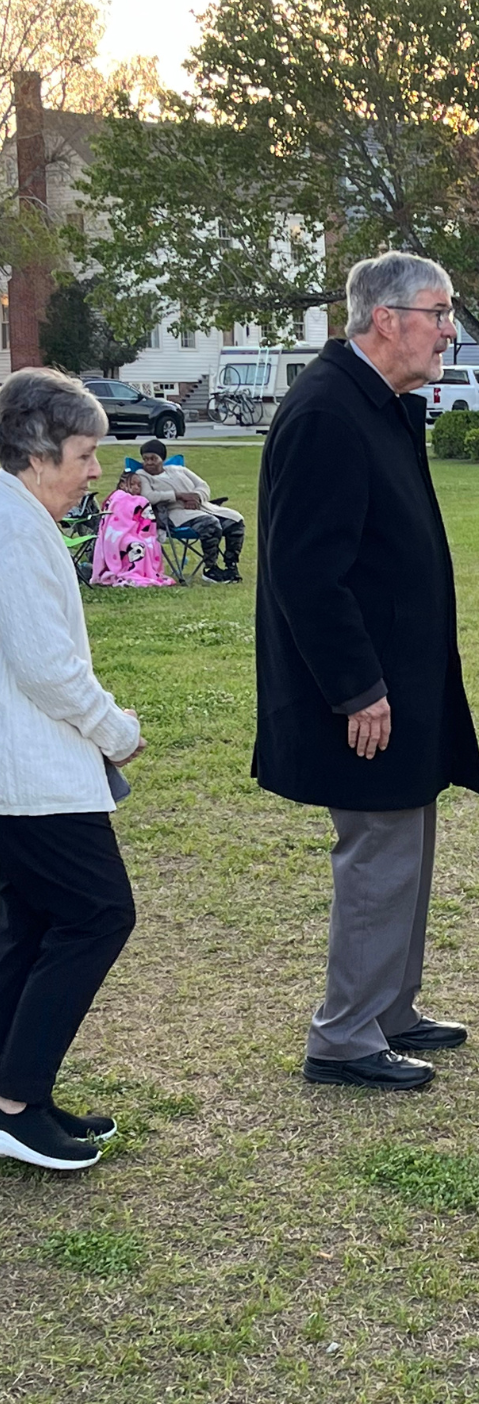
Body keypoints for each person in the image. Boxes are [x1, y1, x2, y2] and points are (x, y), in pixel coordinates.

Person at [255, 250, 479, 1092]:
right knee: (379, 850)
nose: (449, 330)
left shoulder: (380, 403)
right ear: (385, 320)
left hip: (404, 680)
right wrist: (358, 687)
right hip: (363, 692)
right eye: (439, 312)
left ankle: (390, 1007)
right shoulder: (327, 411)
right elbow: (305, 570)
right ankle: (345, 1035)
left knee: (409, 840)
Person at [0, 368, 147, 1171]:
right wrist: (115, 729)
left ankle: (17, 1095)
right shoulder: (14, 527)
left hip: (25, 774)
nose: (96, 469)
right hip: (32, 779)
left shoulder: (16, 517)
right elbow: (46, 666)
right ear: (36, 449)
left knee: (31, 926)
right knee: (96, 916)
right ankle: (17, 1103)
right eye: (86, 453)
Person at [133, 441, 245, 584]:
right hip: (175, 514)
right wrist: (178, 496)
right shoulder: (142, 475)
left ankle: (231, 565)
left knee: (235, 520)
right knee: (210, 524)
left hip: (203, 508)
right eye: (145, 459)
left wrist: (197, 497)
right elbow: (148, 496)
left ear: (162, 459)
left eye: (153, 458)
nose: (148, 463)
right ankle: (210, 569)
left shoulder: (178, 469)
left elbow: (203, 485)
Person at [91, 472, 174, 587]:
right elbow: (111, 519)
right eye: (133, 484)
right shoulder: (117, 497)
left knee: (152, 544)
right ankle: (130, 572)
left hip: (138, 533)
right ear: (122, 485)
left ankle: (143, 574)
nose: (136, 487)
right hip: (116, 535)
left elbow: (148, 522)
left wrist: (142, 534)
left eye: (139, 485)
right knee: (136, 545)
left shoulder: (142, 501)